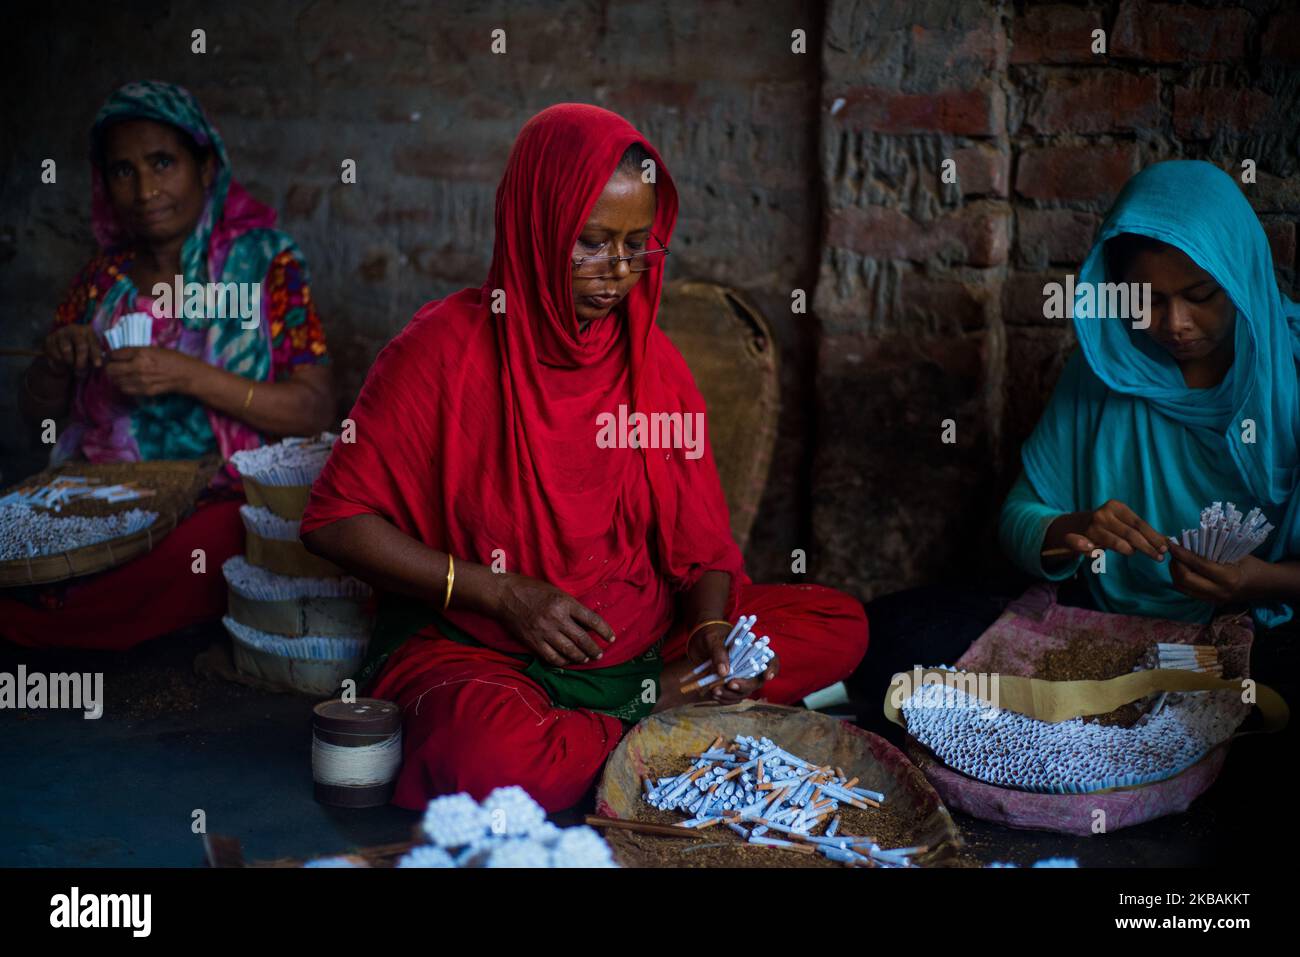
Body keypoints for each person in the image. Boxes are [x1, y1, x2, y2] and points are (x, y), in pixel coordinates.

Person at [300, 103, 868, 812]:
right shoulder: (440, 352)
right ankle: (660, 719)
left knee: (840, 623)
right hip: (491, 652)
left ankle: (649, 710)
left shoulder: (650, 363)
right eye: (592, 243)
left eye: (639, 244)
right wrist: (504, 592)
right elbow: (334, 521)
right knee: (494, 761)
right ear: (536, 229)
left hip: (648, 643)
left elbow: (704, 547)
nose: (619, 271)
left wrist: (713, 633)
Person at [854, 160, 1300, 736]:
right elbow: (1020, 517)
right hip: (1104, 624)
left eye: (1201, 295)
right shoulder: (1102, 374)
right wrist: (1072, 529)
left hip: (1252, 628)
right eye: (1149, 301)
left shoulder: (1289, 375)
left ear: (1242, 277)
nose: (1174, 324)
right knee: (891, 629)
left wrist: (1256, 582)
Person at [3, 80, 334, 651]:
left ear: (205, 166)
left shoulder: (263, 265)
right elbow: (38, 424)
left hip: (221, 488)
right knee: (31, 556)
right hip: (103, 490)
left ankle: (62, 630)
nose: (146, 189)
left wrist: (186, 374)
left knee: (191, 558)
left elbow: (315, 410)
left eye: (162, 162)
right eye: (123, 171)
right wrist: (58, 362)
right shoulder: (100, 283)